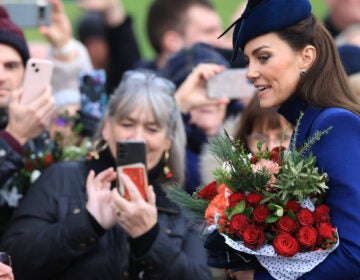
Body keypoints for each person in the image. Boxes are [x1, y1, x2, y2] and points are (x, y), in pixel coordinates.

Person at [1, 69, 212, 280]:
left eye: (152, 129)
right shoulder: (61, 179)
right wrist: (88, 223)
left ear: (168, 140)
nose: (137, 138)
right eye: (127, 124)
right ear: (107, 128)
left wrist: (149, 237)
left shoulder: (180, 206)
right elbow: (14, 260)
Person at [210, 0, 360, 279]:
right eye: (248, 60)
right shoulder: (307, 124)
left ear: (306, 57)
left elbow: (355, 255)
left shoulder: (334, 124)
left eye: (263, 57)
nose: (250, 72)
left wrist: (260, 278)